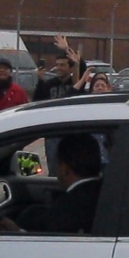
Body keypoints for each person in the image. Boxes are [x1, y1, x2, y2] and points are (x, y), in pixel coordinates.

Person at [0, 133, 102, 234]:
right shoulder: (105, 193)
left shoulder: (66, 210)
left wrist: (16, 231)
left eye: (57, 163)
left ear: (64, 169)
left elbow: (45, 247)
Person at [34, 36, 86, 175]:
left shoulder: (74, 83)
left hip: (70, 131)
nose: (58, 68)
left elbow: (81, 69)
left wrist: (67, 49)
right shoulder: (49, 84)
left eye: (62, 65)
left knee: (71, 167)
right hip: (53, 131)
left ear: (70, 68)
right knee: (54, 169)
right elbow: (37, 101)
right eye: (57, 65)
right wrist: (40, 81)